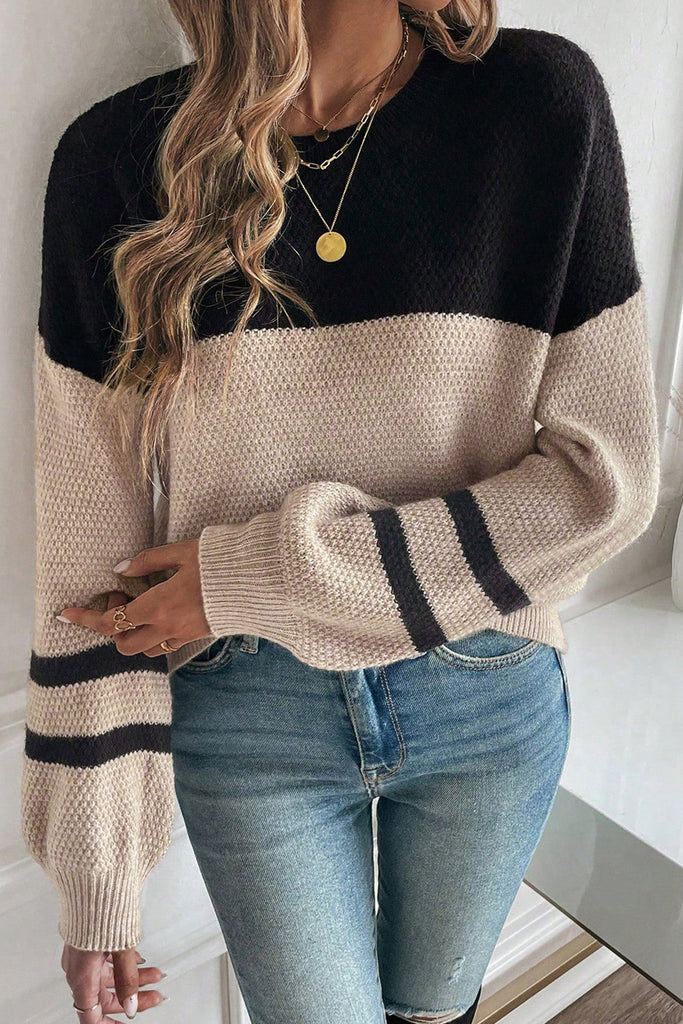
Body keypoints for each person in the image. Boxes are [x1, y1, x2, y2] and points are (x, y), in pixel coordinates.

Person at [21, 0, 660, 1021]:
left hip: (481, 685)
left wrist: (251, 576)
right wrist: (97, 876)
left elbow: (604, 482)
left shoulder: (536, 105)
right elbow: (87, 562)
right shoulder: (117, 163)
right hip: (248, 717)